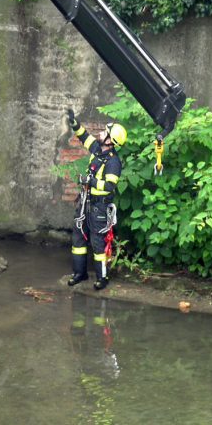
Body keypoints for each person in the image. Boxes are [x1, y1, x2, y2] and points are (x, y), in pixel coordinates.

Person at [66, 109, 126, 290]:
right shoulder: (97, 148)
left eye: (104, 132)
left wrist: (90, 181)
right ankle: (79, 273)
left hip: (99, 207)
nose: (100, 133)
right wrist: (73, 122)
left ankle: (102, 278)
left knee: (98, 242)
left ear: (110, 140)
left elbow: (109, 186)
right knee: (78, 239)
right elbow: (84, 137)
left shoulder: (113, 162)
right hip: (85, 203)